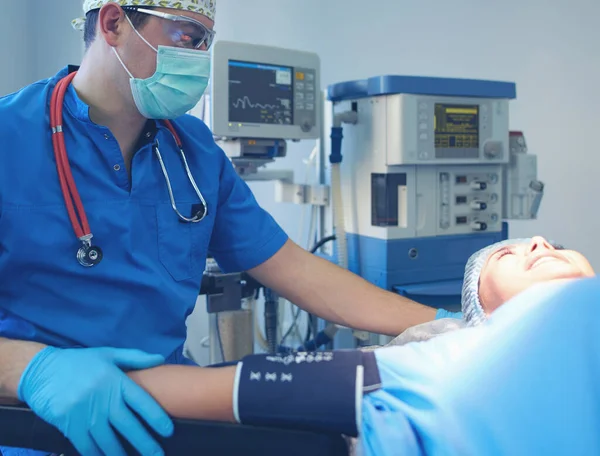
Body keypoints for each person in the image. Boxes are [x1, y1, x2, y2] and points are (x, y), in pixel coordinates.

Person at [0, 1, 441, 455]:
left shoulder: (193, 150)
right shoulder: (9, 135)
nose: (198, 59)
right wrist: (28, 368)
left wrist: (440, 325)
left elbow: (293, 268)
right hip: (32, 423)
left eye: (206, 42)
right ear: (114, 23)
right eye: (187, 37)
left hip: (166, 414)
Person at [112, 276, 600, 455]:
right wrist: (39, 371)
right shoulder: (443, 361)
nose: (539, 242)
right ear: (481, 315)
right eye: (513, 252)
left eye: (557, 248)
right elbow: (217, 390)